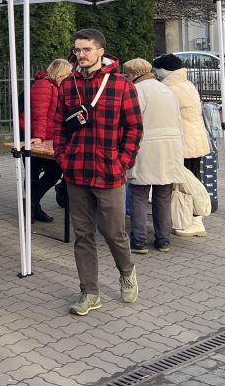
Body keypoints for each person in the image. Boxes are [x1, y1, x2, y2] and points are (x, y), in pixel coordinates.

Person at [53, 29, 142, 317]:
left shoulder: (121, 85)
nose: (80, 55)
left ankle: (126, 271)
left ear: (101, 51)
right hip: (76, 172)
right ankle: (89, 292)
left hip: (109, 172)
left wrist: (122, 162)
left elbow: (134, 129)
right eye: (77, 49)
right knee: (82, 236)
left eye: (86, 49)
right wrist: (63, 158)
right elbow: (59, 126)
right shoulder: (68, 85)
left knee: (114, 233)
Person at [122, 59, 185, 254]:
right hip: (171, 148)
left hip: (146, 148)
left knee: (139, 194)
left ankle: (139, 240)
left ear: (134, 74)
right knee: (163, 195)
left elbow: (132, 121)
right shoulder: (166, 89)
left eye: (127, 74)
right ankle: (163, 240)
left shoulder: (137, 91)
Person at [151, 53, 210, 237]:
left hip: (184, 143)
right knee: (192, 179)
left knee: (187, 184)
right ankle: (190, 219)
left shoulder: (171, 89)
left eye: (158, 72)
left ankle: (194, 221)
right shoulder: (186, 84)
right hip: (195, 140)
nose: (157, 76)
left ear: (164, 71)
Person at [26, 58, 72, 223]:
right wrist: (39, 136)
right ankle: (31, 205)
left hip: (46, 137)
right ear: (61, 73)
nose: (69, 77)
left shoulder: (53, 86)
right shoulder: (44, 86)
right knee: (43, 172)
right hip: (35, 136)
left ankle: (32, 205)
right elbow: (40, 114)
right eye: (67, 74)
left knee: (50, 172)